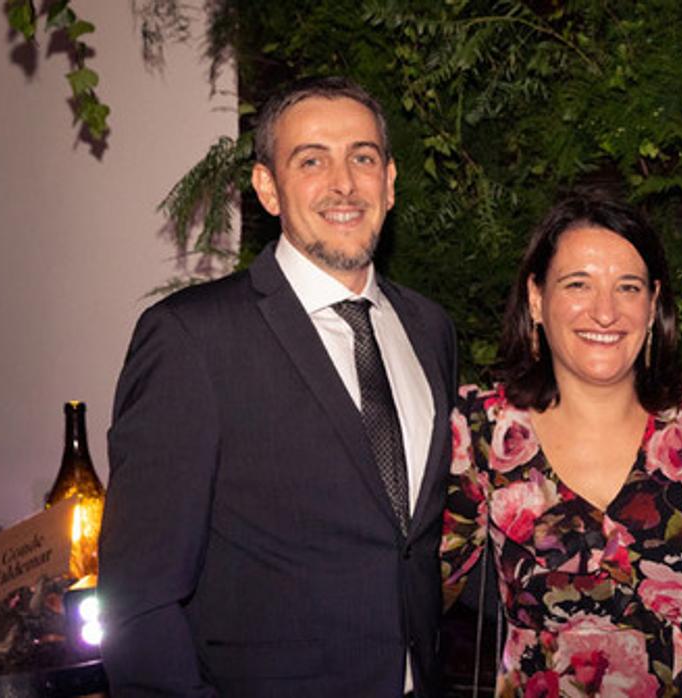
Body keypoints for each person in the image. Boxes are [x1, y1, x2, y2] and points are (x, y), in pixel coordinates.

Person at [98, 77, 456, 696]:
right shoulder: (192, 339)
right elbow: (139, 600)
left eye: (362, 158)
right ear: (268, 187)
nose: (344, 183)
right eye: (312, 160)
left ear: (390, 182)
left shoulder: (430, 329)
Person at [440, 193, 682, 696]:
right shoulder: (481, 429)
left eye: (628, 287)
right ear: (536, 299)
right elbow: (416, 591)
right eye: (577, 284)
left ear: (652, 304)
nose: (605, 312)